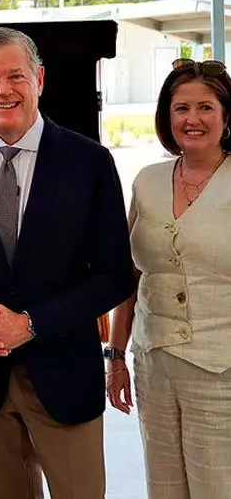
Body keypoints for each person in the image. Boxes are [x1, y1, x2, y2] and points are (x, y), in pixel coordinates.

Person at [0, 27, 135, 499]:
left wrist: (31, 324)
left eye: (16, 75)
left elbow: (115, 273)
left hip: (62, 372)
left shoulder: (89, 162)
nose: (4, 89)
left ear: (39, 77)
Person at [106, 58, 231, 498]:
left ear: (225, 116)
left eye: (205, 108)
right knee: (163, 487)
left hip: (222, 372)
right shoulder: (147, 181)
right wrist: (116, 357)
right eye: (181, 108)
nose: (192, 119)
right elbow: (130, 276)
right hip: (153, 365)